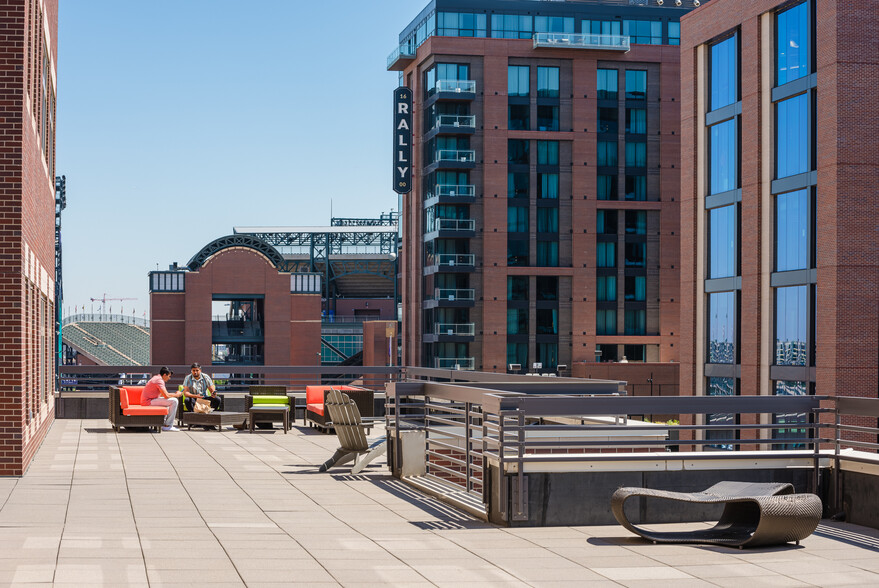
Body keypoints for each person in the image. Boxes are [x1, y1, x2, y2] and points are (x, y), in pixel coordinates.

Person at [142, 367, 183, 432]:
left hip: (151, 400)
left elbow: (164, 394)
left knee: (171, 401)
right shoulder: (159, 380)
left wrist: (173, 394)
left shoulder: (157, 378)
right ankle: (168, 425)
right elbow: (166, 396)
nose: (169, 378)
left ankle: (165, 424)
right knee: (174, 401)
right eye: (169, 376)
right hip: (148, 401)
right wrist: (177, 395)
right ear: (164, 375)